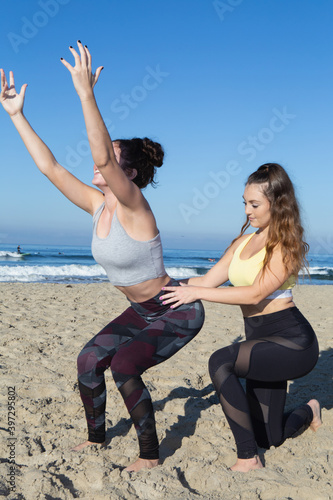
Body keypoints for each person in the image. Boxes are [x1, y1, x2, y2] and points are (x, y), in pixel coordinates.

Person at [0, 42, 204, 472]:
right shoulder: (99, 206)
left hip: (175, 311)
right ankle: (96, 440)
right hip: (139, 310)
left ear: (127, 173)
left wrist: (86, 94)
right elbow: (51, 169)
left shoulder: (135, 207)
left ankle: (150, 455)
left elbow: (98, 156)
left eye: (112, 156)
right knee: (88, 361)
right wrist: (16, 115)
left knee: (126, 366)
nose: (100, 161)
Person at [161, 163, 322, 472]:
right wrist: (167, 284)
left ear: (277, 204)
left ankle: (248, 458)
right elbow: (206, 282)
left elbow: (253, 294)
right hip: (259, 344)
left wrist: (198, 294)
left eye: (255, 204)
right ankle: (309, 409)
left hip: (293, 343)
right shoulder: (241, 244)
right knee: (271, 437)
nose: (247, 211)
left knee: (220, 362)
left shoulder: (286, 246)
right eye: (245, 203)